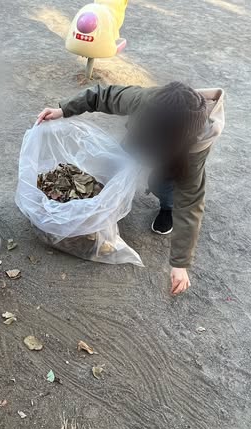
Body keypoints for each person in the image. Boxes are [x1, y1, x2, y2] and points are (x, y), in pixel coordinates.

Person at [36, 82, 225, 295]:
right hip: (138, 141)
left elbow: (191, 201)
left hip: (177, 157)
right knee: (115, 168)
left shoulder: (196, 146)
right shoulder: (145, 100)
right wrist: (64, 109)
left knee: (162, 184)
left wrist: (180, 264)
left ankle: (167, 207)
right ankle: (104, 205)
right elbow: (105, 95)